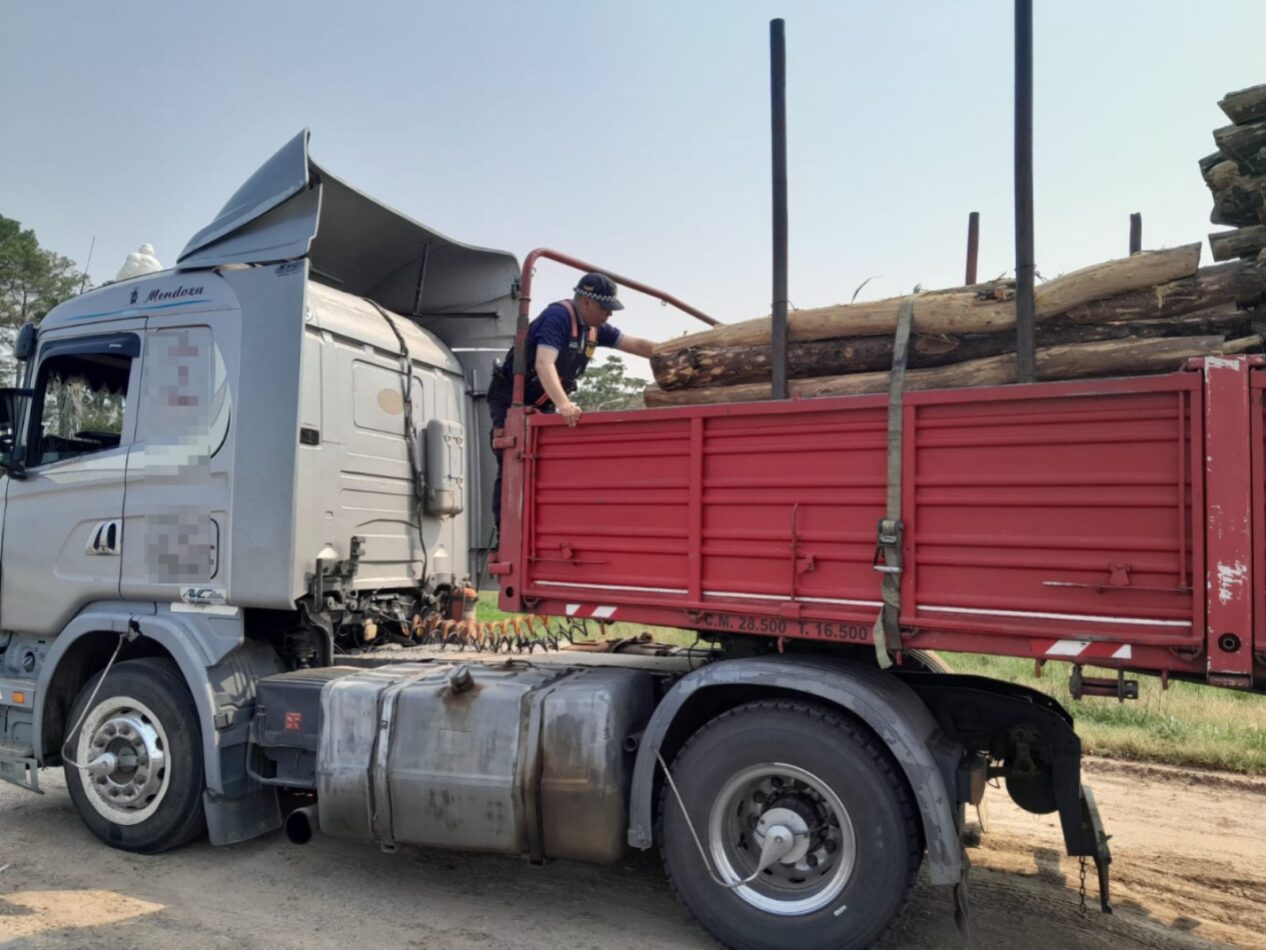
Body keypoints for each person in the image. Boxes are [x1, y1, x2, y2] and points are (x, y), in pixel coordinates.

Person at [486, 272, 655, 533]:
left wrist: (679, 350)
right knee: (513, 463)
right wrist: (565, 405)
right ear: (586, 302)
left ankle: (544, 527)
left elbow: (639, 345)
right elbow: (544, 363)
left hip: (544, 400)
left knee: (545, 463)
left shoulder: (594, 328)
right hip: (513, 398)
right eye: (605, 308)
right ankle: (506, 533)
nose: (609, 314)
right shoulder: (559, 317)